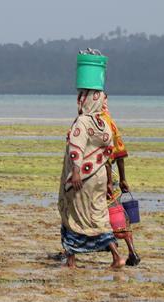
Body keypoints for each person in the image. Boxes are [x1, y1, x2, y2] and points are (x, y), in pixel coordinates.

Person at [58, 88, 127, 269]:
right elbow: (108, 153)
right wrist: (109, 182)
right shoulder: (103, 124)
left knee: (73, 214)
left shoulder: (81, 122)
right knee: (98, 215)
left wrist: (76, 172)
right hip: (100, 177)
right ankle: (116, 256)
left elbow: (76, 148)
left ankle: (71, 259)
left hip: (82, 178)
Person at [101, 93, 141, 266]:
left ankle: (116, 256)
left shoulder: (97, 122)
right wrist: (123, 179)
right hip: (114, 178)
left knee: (101, 218)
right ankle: (132, 252)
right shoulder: (110, 121)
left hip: (101, 178)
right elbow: (120, 153)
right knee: (119, 215)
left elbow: (105, 158)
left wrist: (108, 181)